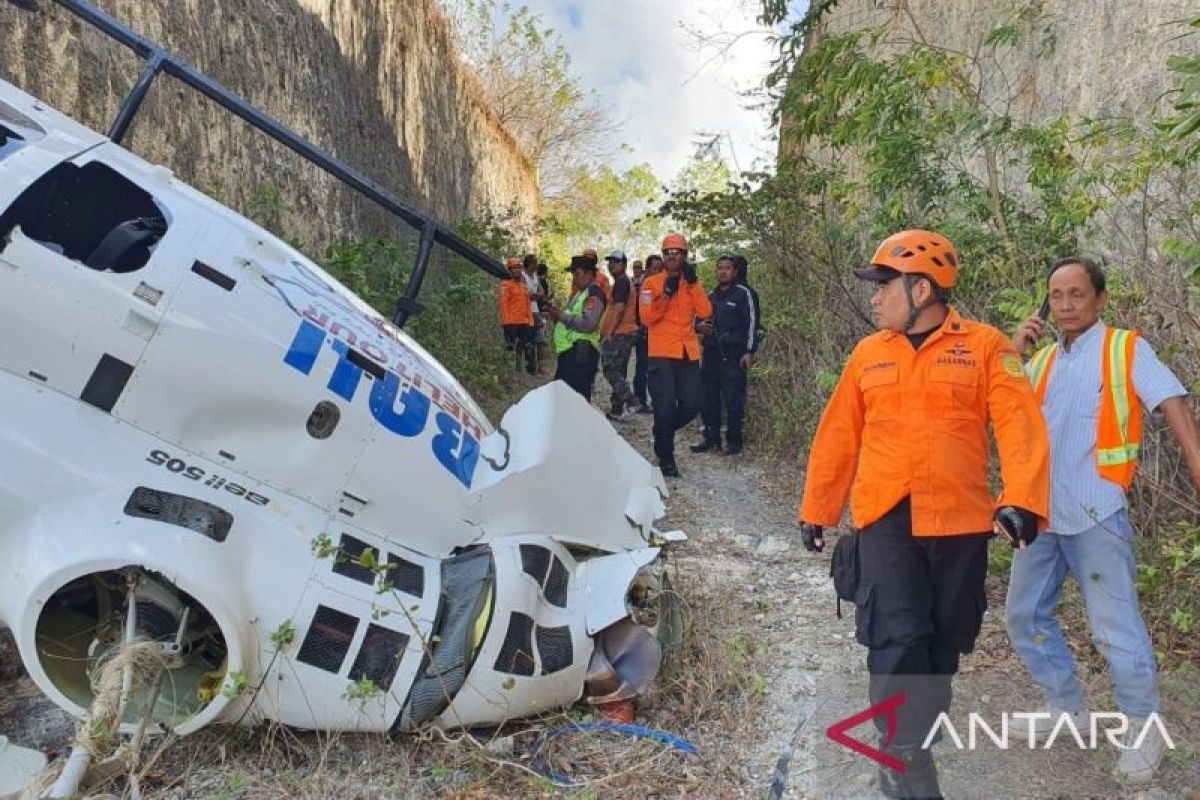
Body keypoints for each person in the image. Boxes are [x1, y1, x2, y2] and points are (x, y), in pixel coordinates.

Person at [797, 230, 1050, 799]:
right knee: (899, 634)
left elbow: (1019, 425)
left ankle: (915, 739)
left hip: (959, 519)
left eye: (884, 285)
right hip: (886, 516)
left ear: (923, 289)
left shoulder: (986, 347)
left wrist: (1022, 499)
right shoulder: (869, 354)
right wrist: (819, 508)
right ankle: (901, 757)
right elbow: (839, 433)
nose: (875, 297)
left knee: (943, 641)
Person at [1004, 256, 1200, 783]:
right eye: (1057, 296)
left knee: (1114, 627)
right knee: (1023, 616)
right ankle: (1067, 708)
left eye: (1077, 295)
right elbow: (1000, 416)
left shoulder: (1125, 349)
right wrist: (1012, 354)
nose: (1065, 305)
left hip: (1096, 515)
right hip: (1042, 518)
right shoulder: (1041, 361)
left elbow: (1173, 404)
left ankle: (1143, 729)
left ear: (1099, 300)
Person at [639, 233, 712, 478]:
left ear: (684, 256)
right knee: (665, 406)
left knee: (693, 404)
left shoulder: (692, 282)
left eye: (677, 253)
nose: (672, 257)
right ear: (663, 256)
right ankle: (666, 457)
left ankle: (662, 431)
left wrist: (692, 286)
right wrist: (666, 296)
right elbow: (647, 318)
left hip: (687, 351)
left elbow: (705, 311)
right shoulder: (651, 284)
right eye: (668, 253)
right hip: (661, 353)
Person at [692, 255, 756, 455]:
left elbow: (752, 325)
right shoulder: (710, 296)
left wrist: (749, 351)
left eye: (727, 268)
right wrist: (699, 327)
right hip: (711, 354)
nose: (723, 271)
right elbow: (696, 319)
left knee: (733, 400)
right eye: (719, 268)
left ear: (735, 271)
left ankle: (734, 443)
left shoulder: (743, 294)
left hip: (734, 356)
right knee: (707, 399)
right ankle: (711, 439)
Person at [547, 255, 606, 400]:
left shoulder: (594, 293)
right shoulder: (581, 294)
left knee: (575, 400)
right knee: (565, 398)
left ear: (590, 274)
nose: (574, 278)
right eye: (573, 274)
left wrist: (561, 316)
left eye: (577, 274)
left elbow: (589, 324)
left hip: (580, 353)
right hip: (571, 352)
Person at [600, 250, 639, 421]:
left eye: (616, 262)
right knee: (619, 370)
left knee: (610, 369)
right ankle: (617, 408)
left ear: (623, 265)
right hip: (624, 332)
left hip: (620, 333)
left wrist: (610, 331)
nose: (612, 264)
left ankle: (631, 400)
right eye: (610, 262)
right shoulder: (621, 282)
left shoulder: (622, 281)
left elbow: (620, 308)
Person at [498, 256, 535, 373]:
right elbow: (503, 305)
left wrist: (530, 321)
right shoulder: (505, 285)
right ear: (509, 270)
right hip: (511, 323)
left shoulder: (524, 287)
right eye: (515, 268)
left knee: (529, 348)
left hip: (525, 323)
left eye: (519, 267)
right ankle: (510, 374)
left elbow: (528, 305)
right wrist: (506, 323)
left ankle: (528, 373)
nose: (518, 270)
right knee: (510, 350)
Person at [630, 256, 657, 413]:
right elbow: (643, 311)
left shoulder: (662, 284)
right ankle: (641, 400)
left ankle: (652, 400)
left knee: (654, 369)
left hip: (658, 335)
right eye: (654, 268)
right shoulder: (644, 287)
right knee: (643, 367)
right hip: (645, 333)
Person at [522, 254, 547, 373]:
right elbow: (523, 293)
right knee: (530, 340)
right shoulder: (522, 276)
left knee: (540, 339)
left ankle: (541, 366)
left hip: (536, 310)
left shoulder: (535, 277)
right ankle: (531, 367)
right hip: (525, 311)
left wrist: (537, 295)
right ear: (528, 264)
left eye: (536, 263)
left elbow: (541, 291)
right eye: (533, 263)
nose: (535, 266)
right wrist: (532, 295)